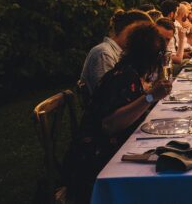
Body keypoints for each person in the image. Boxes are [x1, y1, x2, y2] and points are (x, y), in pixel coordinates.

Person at [64, 22, 173, 202]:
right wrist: (149, 97)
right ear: (151, 57)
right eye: (161, 55)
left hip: (109, 148)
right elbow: (110, 125)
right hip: (95, 158)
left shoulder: (128, 72)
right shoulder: (124, 77)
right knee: (165, 165)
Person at [79, 9, 152, 95]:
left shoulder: (124, 54)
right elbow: (108, 98)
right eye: (142, 33)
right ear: (129, 30)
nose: (144, 39)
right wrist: (150, 95)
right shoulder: (104, 53)